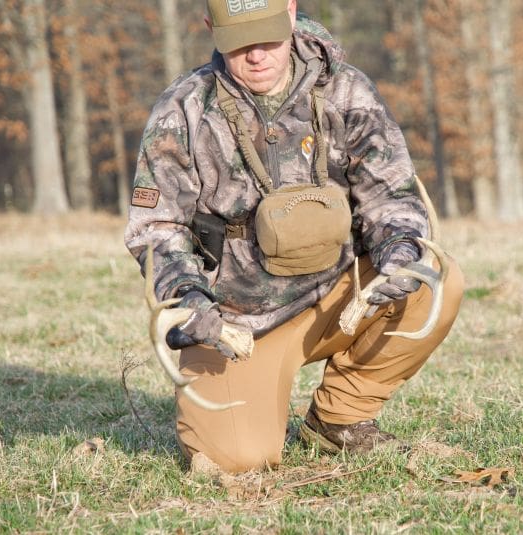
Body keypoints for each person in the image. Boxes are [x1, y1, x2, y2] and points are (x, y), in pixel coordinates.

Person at [124, 0, 464, 474]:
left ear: (290, 12)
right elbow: (156, 228)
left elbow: (390, 195)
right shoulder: (183, 109)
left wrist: (398, 255)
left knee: (433, 280)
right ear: (210, 29)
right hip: (236, 322)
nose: (256, 54)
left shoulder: (346, 89)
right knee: (240, 459)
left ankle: (339, 419)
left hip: (340, 294)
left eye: (267, 37)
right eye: (238, 42)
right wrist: (190, 299)